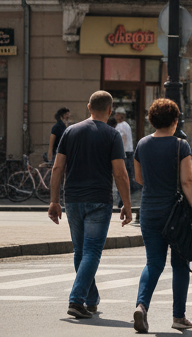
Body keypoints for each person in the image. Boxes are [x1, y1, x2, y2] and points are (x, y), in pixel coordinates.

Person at [46, 91, 133, 319]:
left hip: (73, 199)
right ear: (110, 110)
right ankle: (77, 300)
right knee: (92, 251)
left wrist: (54, 201)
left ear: (88, 107)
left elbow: (57, 167)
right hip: (99, 200)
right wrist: (126, 204)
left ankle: (91, 298)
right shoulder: (112, 135)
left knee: (81, 251)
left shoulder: (70, 132)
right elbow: (120, 174)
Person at [132, 98, 192, 333]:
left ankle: (141, 306)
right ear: (175, 120)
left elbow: (139, 178)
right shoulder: (180, 145)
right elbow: (187, 181)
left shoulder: (142, 144)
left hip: (149, 211)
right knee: (180, 263)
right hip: (175, 213)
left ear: (152, 120)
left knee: (153, 262)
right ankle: (178, 317)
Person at [114, 108, 135, 204]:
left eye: (116, 114)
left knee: (121, 177)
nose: (115, 116)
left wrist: (118, 152)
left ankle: (121, 200)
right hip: (129, 153)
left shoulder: (121, 126)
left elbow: (122, 139)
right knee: (127, 177)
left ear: (119, 115)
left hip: (124, 153)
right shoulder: (126, 125)